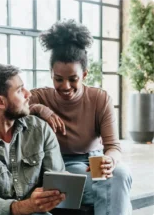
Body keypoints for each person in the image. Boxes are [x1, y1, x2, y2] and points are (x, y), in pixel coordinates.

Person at [29, 19, 132, 215]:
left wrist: (110, 160)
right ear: (51, 74)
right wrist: (42, 110)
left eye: (73, 79)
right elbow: (12, 110)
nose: (65, 86)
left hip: (95, 160)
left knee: (121, 174)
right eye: (58, 79)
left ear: (84, 74)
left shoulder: (100, 99)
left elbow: (114, 147)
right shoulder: (39, 96)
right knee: (109, 189)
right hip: (63, 164)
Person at [0, 63, 66, 215]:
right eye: (20, 90)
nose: (29, 94)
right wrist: (28, 205)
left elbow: (57, 183)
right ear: (0, 102)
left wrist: (48, 197)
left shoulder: (40, 130)